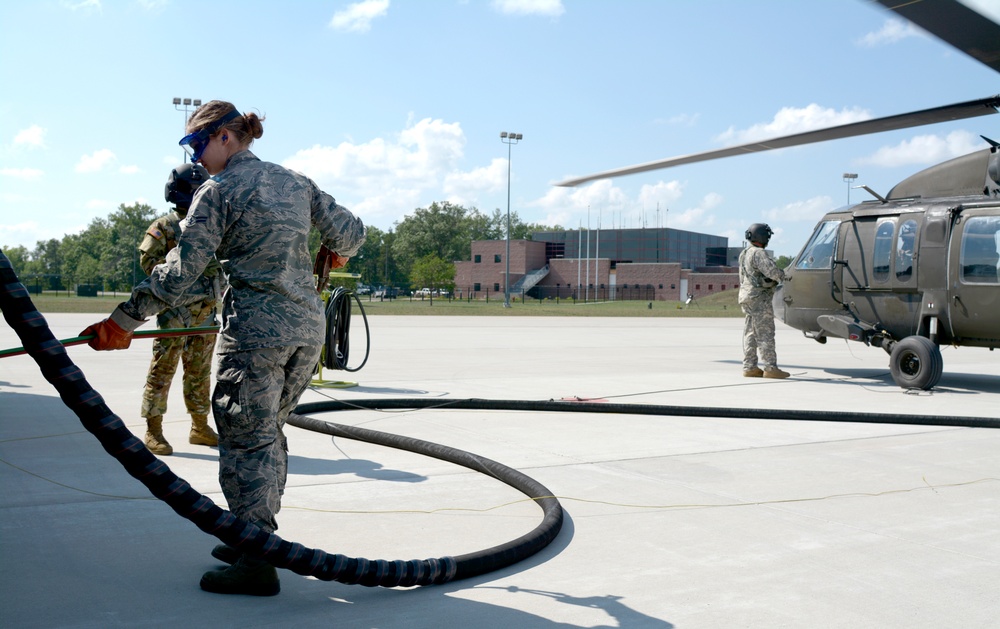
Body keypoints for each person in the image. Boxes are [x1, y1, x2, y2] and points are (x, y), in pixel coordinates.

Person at [80, 100, 366, 596]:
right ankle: (252, 537)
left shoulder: (218, 190)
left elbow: (181, 270)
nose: (195, 158)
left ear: (226, 137)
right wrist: (332, 247)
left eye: (197, 144)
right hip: (306, 330)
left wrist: (124, 320)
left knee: (245, 441)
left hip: (256, 333)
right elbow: (353, 233)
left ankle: (256, 560)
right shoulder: (295, 181)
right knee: (268, 433)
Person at [138, 163, 223, 455]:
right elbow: (149, 263)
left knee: (200, 371)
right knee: (163, 369)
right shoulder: (165, 226)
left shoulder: (212, 225)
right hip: (175, 311)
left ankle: (200, 427)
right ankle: (153, 430)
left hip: (206, 313)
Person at [738, 223, 789, 379]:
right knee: (765, 333)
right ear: (762, 237)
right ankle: (770, 368)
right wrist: (784, 276)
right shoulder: (759, 253)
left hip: (747, 296)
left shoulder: (744, 253)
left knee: (751, 332)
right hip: (760, 298)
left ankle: (750, 367)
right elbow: (773, 272)